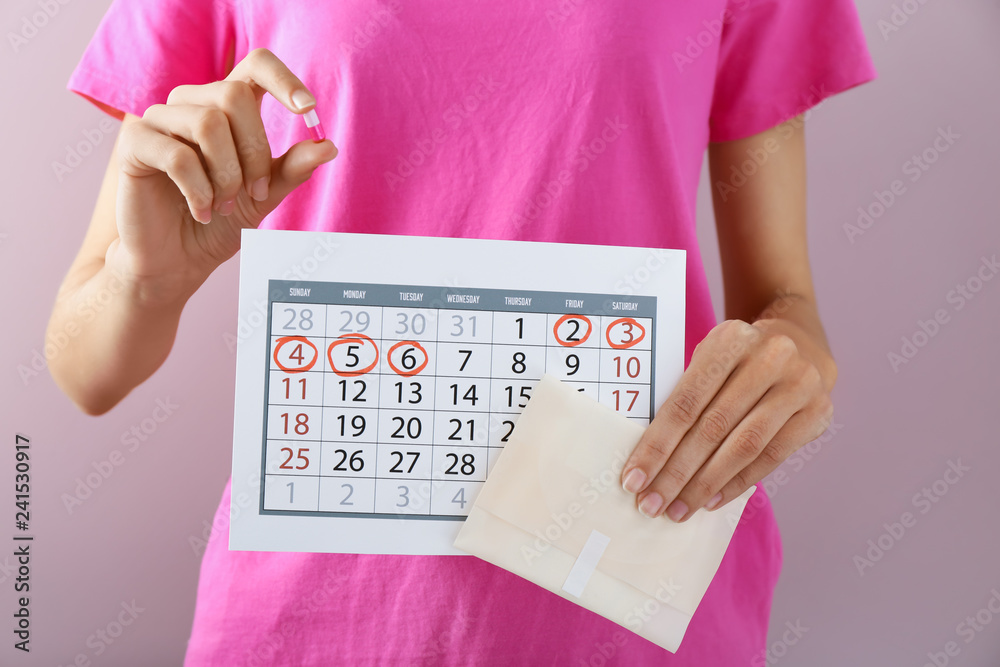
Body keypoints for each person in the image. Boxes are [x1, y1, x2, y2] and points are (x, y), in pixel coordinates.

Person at [50, 0, 876, 663]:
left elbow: (784, 304)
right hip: (309, 619)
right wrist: (145, 278)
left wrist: (791, 364)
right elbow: (86, 368)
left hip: (631, 591)